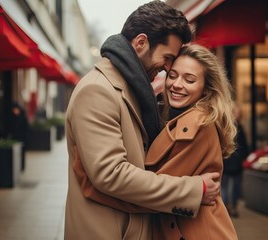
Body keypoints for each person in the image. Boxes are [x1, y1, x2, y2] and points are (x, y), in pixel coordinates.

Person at [64, 1, 221, 239]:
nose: (167, 69)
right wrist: (194, 190)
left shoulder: (132, 88)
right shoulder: (98, 91)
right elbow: (112, 174)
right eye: (167, 58)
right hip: (108, 230)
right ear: (140, 43)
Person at [221, 105, 249, 217]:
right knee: (232, 186)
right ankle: (231, 207)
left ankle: (227, 207)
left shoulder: (223, 126)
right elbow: (245, 146)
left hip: (227, 161)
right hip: (233, 162)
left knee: (226, 186)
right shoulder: (237, 127)